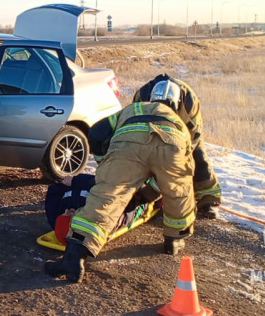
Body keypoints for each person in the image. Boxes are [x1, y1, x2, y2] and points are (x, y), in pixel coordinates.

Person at [45, 79, 195, 283]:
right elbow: (179, 177)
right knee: (179, 191)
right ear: (176, 103)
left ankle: (73, 260)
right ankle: (173, 241)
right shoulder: (180, 124)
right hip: (172, 147)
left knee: (105, 198)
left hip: (128, 146)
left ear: (150, 97)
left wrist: (105, 164)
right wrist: (147, 193)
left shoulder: (133, 108)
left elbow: (97, 133)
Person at [90, 74, 222, 219]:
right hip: (145, 132)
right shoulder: (141, 97)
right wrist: (109, 165)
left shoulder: (189, 105)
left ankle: (208, 199)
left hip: (184, 135)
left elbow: (183, 154)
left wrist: (151, 191)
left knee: (197, 158)